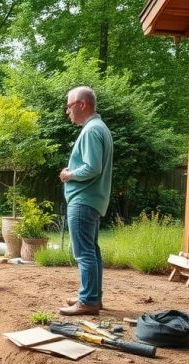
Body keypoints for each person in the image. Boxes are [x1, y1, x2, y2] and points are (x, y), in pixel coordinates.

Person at [58, 86, 113, 317]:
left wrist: (69, 175)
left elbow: (92, 167)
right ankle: (91, 296)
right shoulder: (100, 128)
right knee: (91, 250)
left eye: (69, 106)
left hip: (83, 200)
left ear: (82, 104)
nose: (67, 112)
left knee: (83, 252)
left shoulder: (91, 131)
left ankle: (88, 301)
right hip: (93, 199)